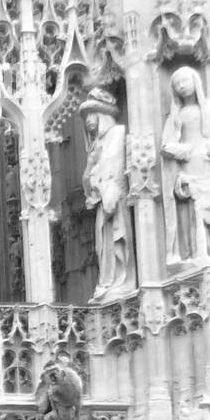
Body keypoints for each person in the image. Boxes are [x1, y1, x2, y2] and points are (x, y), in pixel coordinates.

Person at [160, 67, 210, 269]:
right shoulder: (176, 116)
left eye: (185, 81)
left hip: (208, 165)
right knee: (190, 209)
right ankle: (193, 253)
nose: (183, 86)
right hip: (187, 167)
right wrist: (179, 150)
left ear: (196, 82)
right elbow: (166, 144)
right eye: (177, 84)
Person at [81, 87, 135, 300]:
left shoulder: (117, 134)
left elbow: (113, 169)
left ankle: (120, 281)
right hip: (104, 201)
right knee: (102, 245)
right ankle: (108, 281)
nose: (87, 121)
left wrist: (104, 187)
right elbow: (89, 179)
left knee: (116, 239)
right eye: (85, 117)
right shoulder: (96, 145)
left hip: (114, 199)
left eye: (90, 114)